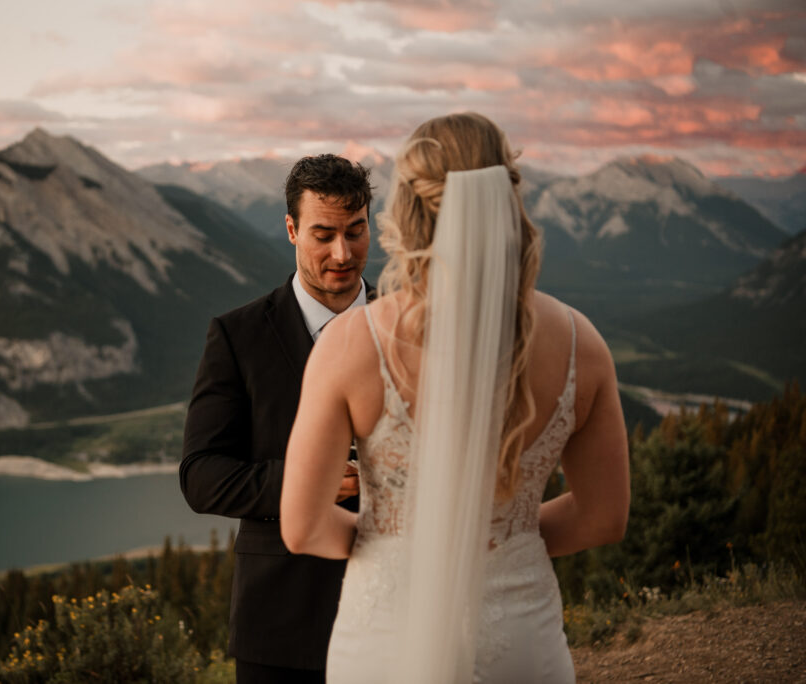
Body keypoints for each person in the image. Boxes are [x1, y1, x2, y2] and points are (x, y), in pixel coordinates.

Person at [280, 113, 630, 683]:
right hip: (520, 638)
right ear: (508, 198)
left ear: (409, 212)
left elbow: (304, 527)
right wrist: (500, 541)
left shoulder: (352, 345)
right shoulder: (578, 343)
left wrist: (396, 549)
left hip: (385, 639)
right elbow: (603, 517)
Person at [180, 154, 375, 683]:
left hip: (397, 608)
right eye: (323, 234)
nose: (343, 253)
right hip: (282, 623)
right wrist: (305, 484)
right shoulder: (236, 336)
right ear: (291, 230)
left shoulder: (408, 326)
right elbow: (200, 477)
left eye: (356, 232)